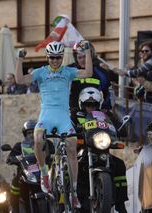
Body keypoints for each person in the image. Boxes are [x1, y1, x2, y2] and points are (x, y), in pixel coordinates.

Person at [15, 41, 93, 208]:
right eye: (52, 58)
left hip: (63, 116)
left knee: (72, 148)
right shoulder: (41, 72)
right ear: (47, 57)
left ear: (62, 57)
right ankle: (44, 175)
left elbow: (88, 72)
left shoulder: (68, 71)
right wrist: (19, 60)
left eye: (58, 57)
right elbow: (20, 80)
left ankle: (73, 192)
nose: (55, 60)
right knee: (37, 138)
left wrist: (87, 52)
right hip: (47, 115)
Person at [72, 87, 128, 213]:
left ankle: (120, 203)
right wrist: (73, 130)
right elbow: (67, 126)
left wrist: (121, 129)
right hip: (82, 149)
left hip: (102, 149)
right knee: (73, 167)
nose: (91, 107)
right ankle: (70, 203)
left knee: (119, 165)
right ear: (82, 104)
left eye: (94, 104)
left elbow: (120, 128)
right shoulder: (75, 114)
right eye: (88, 105)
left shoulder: (105, 115)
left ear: (99, 104)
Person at [69, 40, 112, 114]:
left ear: (91, 56)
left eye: (85, 57)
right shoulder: (69, 71)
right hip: (74, 113)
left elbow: (107, 93)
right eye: (79, 58)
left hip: (96, 113)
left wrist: (106, 108)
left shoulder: (102, 73)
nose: (82, 60)